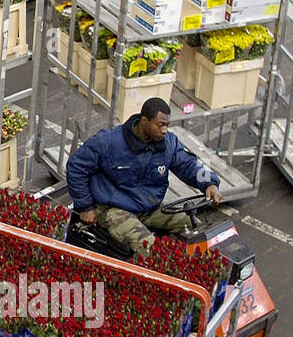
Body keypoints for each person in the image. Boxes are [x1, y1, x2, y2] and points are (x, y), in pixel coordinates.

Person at [65, 97, 222, 255]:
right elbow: (76, 167)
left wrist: (209, 183)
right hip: (112, 209)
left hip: (149, 208)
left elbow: (188, 165)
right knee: (153, 252)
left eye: (167, 125)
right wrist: (85, 206)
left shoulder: (168, 144)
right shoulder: (108, 142)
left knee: (197, 229)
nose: (164, 131)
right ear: (144, 121)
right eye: (160, 125)